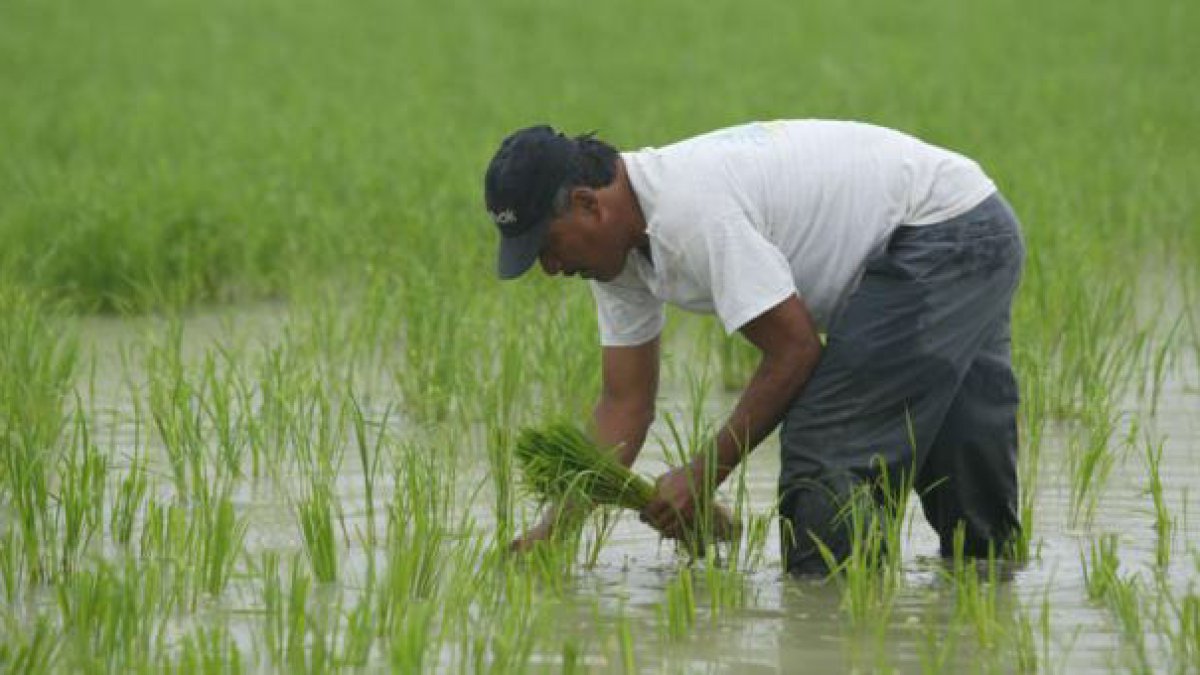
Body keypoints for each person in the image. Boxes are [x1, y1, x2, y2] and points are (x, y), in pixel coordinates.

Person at [483, 120, 1024, 575]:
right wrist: (555, 532)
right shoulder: (615, 257)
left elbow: (795, 351)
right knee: (963, 453)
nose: (551, 269)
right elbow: (625, 405)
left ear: (587, 204)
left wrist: (701, 474)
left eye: (548, 248)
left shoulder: (689, 212)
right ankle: (986, 610)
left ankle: (830, 630)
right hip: (965, 221)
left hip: (945, 234)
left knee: (826, 450)